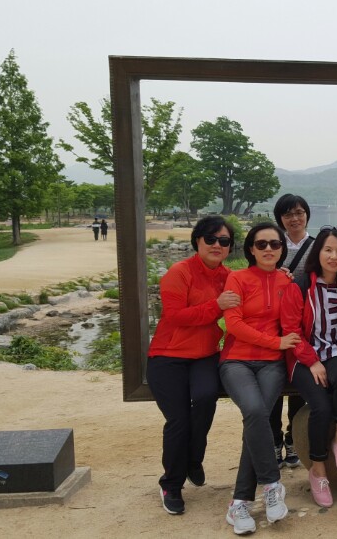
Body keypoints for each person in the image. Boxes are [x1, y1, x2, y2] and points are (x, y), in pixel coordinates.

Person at [146, 216, 239, 516]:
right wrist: (216, 306)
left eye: (224, 241)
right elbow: (175, 316)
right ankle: (171, 484)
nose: (216, 245)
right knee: (179, 420)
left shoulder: (228, 276)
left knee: (206, 397)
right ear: (197, 241)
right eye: (210, 239)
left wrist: (282, 277)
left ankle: (193, 458)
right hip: (167, 356)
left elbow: (251, 290)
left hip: (204, 355)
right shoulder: (179, 272)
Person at [219, 223, 301, 535]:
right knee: (255, 412)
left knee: (258, 420)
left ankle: (240, 502)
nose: (268, 249)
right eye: (261, 244)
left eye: (275, 244)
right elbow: (234, 324)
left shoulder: (286, 280)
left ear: (282, 249)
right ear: (251, 249)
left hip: (271, 365)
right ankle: (271, 484)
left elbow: (293, 319)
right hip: (237, 360)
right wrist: (275, 342)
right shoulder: (237, 278)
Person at [279, 225, 337, 508]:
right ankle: (318, 469)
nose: (333, 256)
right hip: (302, 356)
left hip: (335, 352)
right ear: (318, 253)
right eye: (328, 250)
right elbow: (291, 330)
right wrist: (311, 362)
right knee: (321, 406)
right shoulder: (299, 286)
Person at [270, 194, 314, 469]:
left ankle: (292, 437)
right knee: (273, 382)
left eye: (299, 212)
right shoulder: (272, 243)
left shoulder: (318, 246)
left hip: (306, 323)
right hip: (273, 322)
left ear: (307, 215)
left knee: (300, 383)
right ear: (280, 219)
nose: (294, 219)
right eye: (288, 214)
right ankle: (274, 439)